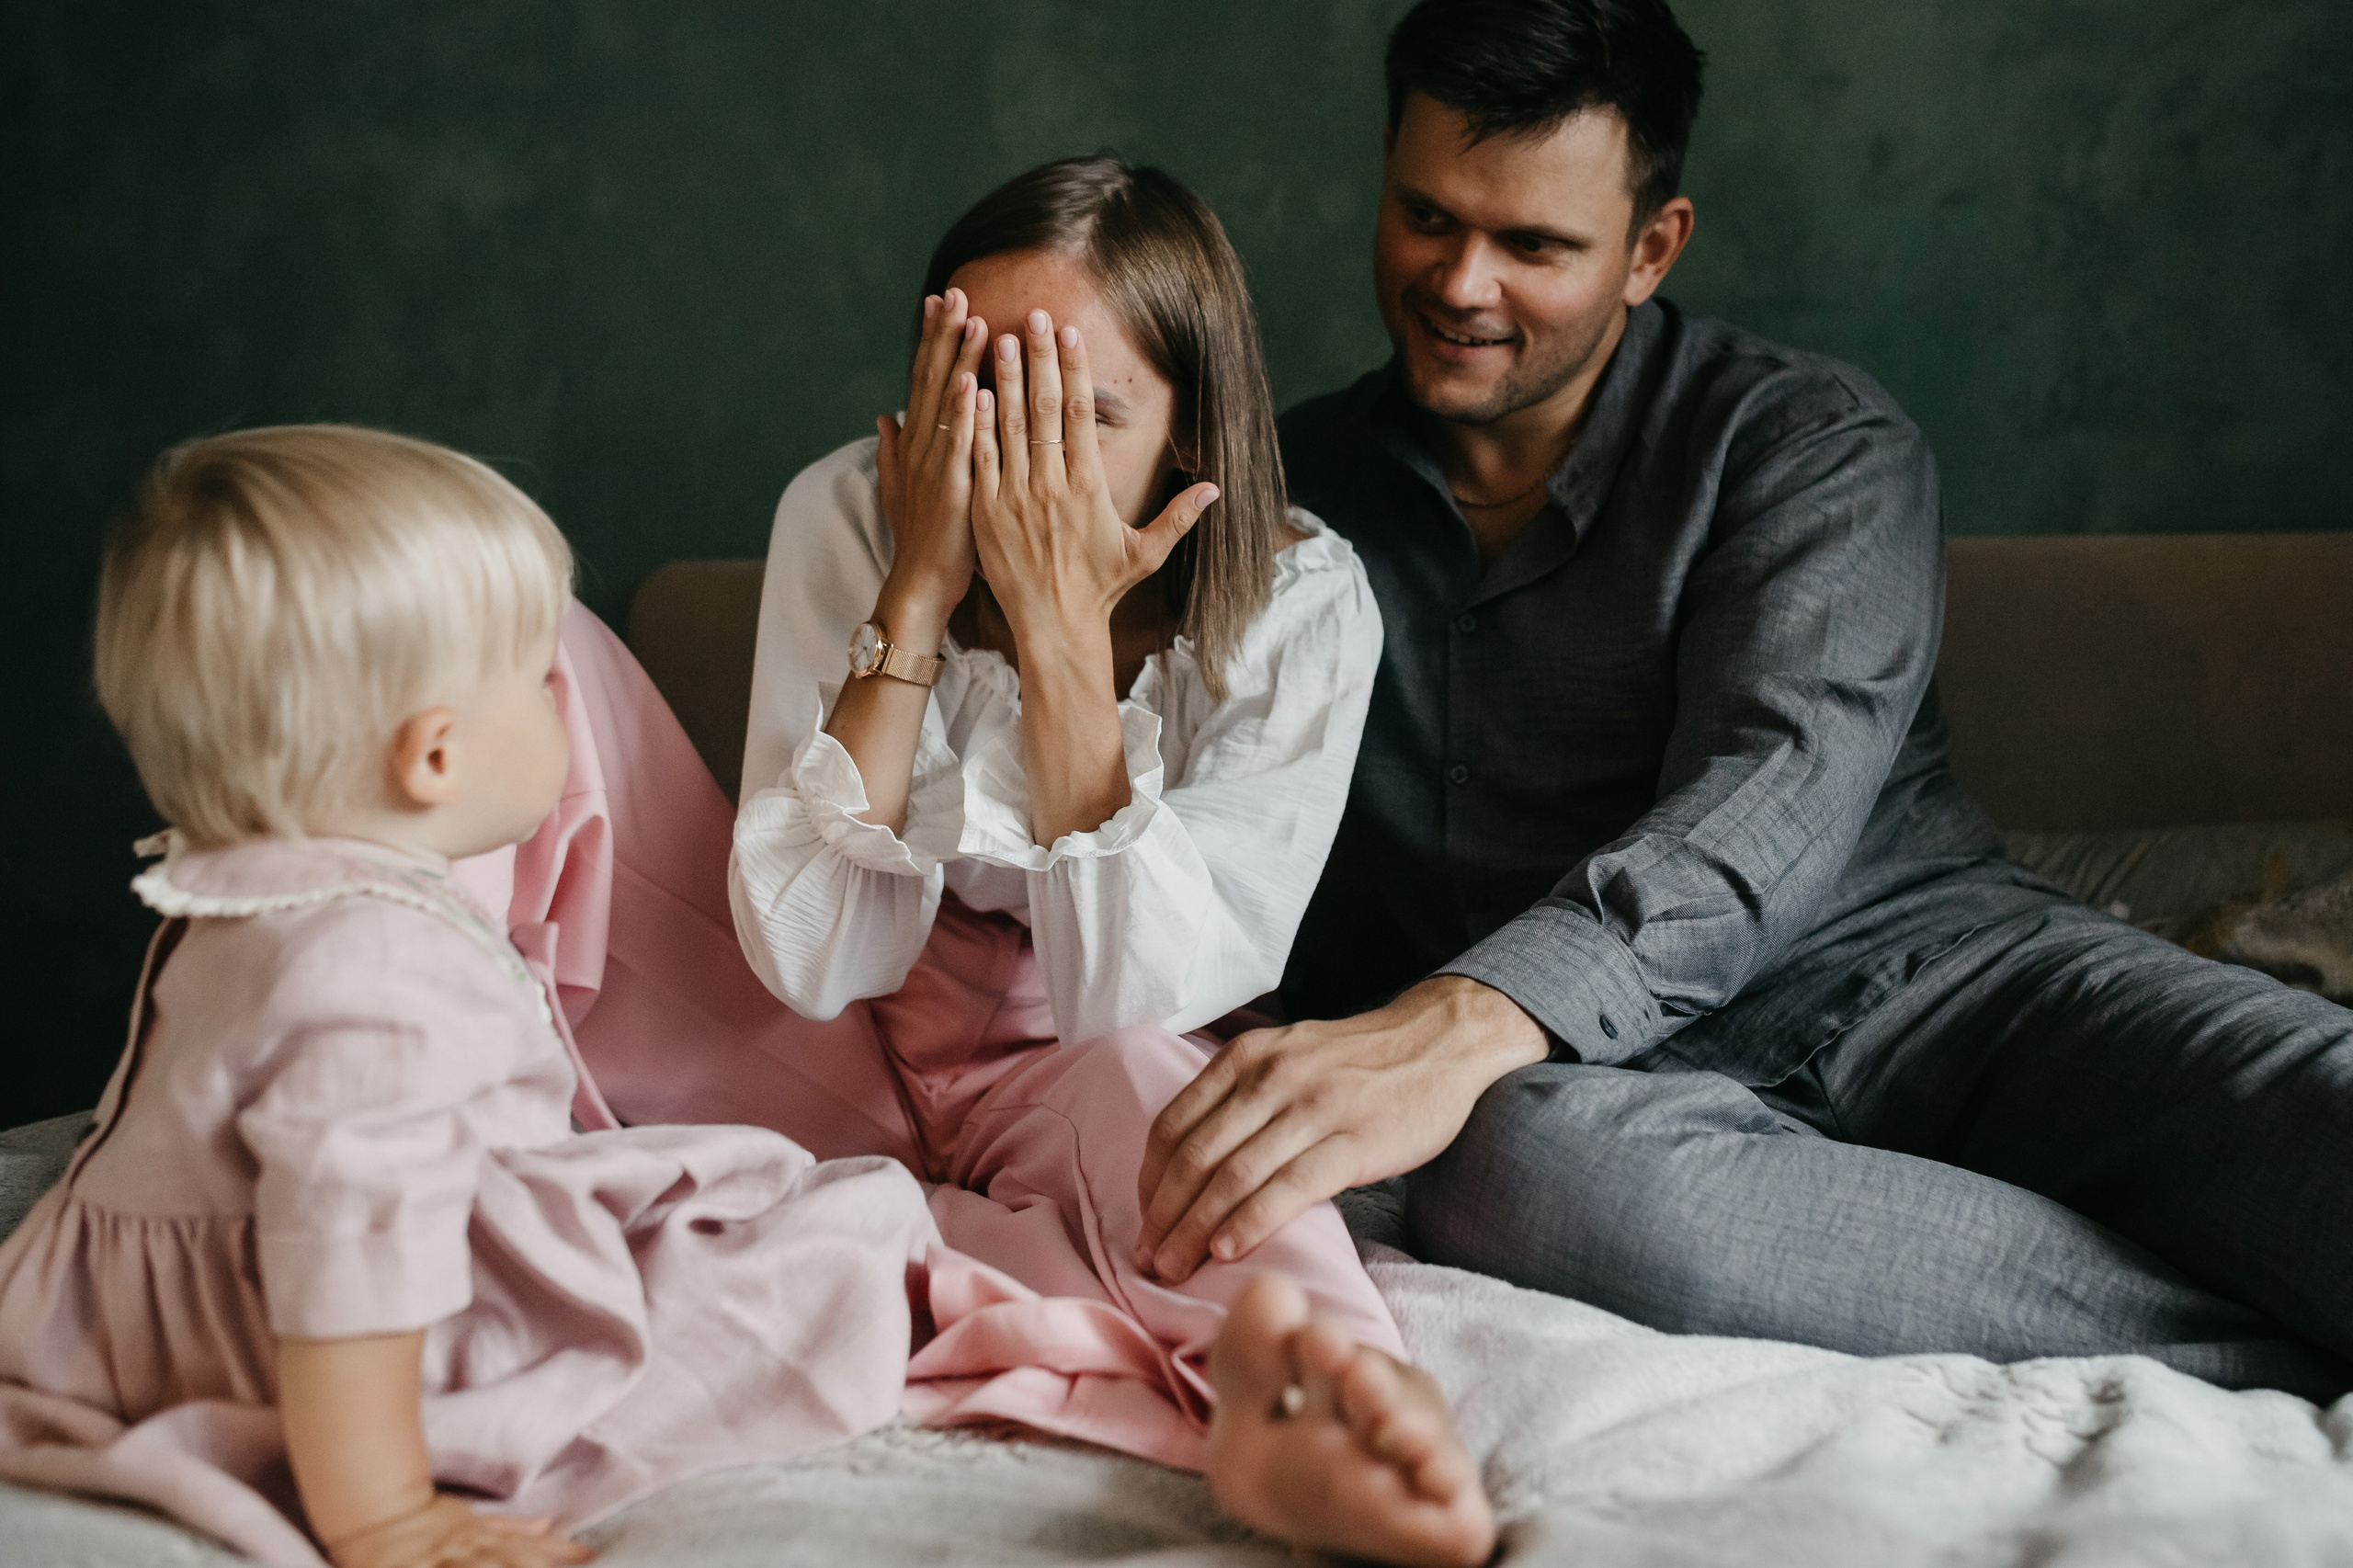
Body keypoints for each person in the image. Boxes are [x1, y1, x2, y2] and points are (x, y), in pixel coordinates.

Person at [1135, 0, 2353, 1403]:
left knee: (2312, 1108)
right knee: (1519, 1173)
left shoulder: (1810, 442)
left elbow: (1770, 791)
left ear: (1653, 248)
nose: (1462, 282)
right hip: (1607, 1098)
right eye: (1427, 217)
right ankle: (2277, 1352)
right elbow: (1180, 820)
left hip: (1943, 984)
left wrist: (1461, 1017)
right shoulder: (1274, 502)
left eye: (1534, 244)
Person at [0, 426, 959, 1568]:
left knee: (718, 1187)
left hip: (146, 1320)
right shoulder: (384, 970)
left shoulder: (230, 893)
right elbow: (350, 1249)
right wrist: (384, 1513)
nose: (564, 706)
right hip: (342, 1360)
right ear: (436, 759)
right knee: (848, 1241)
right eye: (539, 682)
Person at [722, 154, 1495, 1567]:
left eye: (1081, 411)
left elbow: (1135, 994)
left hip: (1086, 1039)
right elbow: (815, 953)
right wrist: (917, 589)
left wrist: (1063, 636)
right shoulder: (846, 507)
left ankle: (1315, 1409)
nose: (1017, 456)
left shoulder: (1302, 598)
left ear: (1190, 425)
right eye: (981, 392)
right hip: (813, 1026)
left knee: (1196, 1126)